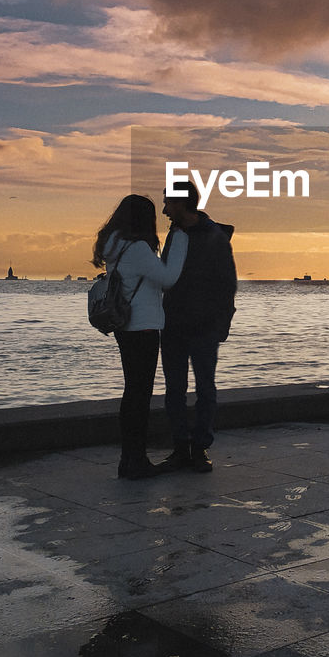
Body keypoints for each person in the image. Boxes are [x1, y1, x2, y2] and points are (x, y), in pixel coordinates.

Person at [92, 194, 189, 480]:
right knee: (139, 395)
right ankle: (135, 460)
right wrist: (180, 240)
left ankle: (130, 458)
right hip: (143, 326)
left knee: (132, 392)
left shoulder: (115, 245)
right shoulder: (137, 248)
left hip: (126, 327)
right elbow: (169, 278)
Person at [158, 180, 237, 473]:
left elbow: (227, 283)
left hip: (204, 325)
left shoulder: (214, 236)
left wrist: (222, 323)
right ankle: (181, 447)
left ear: (181, 203)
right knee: (174, 388)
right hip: (173, 323)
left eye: (167, 203)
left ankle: (199, 448)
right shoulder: (174, 233)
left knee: (205, 387)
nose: (164, 210)